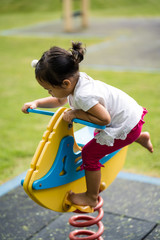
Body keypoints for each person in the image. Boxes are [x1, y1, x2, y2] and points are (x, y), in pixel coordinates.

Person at [22, 42, 153, 209]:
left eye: (49, 90)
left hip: (125, 124)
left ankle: (91, 197)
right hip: (130, 118)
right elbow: (60, 100)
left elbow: (104, 119)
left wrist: (76, 113)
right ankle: (140, 137)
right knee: (104, 136)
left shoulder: (84, 95)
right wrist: (37, 103)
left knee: (89, 154)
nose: (49, 93)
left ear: (65, 84)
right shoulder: (76, 81)